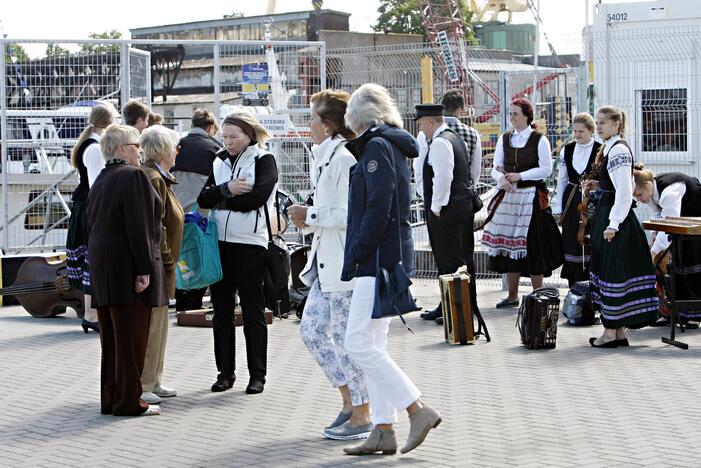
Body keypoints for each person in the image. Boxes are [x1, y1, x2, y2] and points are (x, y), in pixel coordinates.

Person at [341, 83, 441, 456]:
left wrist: (355, 252)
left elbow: (376, 207)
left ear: (359, 116)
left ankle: (415, 407)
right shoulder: (390, 146)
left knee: (357, 342)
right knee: (372, 343)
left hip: (378, 260)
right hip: (387, 256)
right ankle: (384, 429)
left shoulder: (376, 147)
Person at [287, 90, 371, 441]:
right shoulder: (326, 156)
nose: (308, 125)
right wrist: (311, 218)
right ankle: (351, 401)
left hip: (342, 264)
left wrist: (312, 215)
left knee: (346, 338)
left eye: (311, 118)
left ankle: (363, 412)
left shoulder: (344, 158)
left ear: (326, 125)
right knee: (313, 331)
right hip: (325, 262)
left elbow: (354, 214)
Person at [88, 124, 168, 416]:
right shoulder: (133, 176)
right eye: (136, 145)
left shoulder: (103, 178)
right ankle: (130, 402)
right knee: (132, 340)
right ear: (122, 149)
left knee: (112, 341)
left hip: (104, 269)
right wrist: (145, 269)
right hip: (127, 269)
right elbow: (141, 227)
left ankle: (112, 398)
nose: (140, 151)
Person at [197, 112, 277, 394]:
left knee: (253, 310)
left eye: (234, 137)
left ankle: (257, 375)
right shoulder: (219, 159)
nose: (228, 142)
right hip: (219, 242)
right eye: (225, 136)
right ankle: (225, 372)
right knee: (221, 310)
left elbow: (257, 199)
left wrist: (222, 200)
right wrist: (227, 189)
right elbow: (203, 197)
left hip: (250, 243)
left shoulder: (263, 160)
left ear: (249, 135)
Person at [481, 98, 564, 308]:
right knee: (510, 246)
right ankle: (512, 295)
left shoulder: (539, 139)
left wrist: (520, 176)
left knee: (534, 247)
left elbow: (546, 169)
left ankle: (538, 296)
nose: (512, 118)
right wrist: (501, 179)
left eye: (516, 114)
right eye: (510, 114)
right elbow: (495, 166)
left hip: (532, 199)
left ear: (527, 116)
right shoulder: (505, 138)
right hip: (510, 199)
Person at [587, 106, 657, 347]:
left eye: (602, 123)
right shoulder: (611, 148)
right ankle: (618, 333)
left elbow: (625, 193)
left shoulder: (617, 150)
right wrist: (598, 185)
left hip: (614, 219)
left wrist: (613, 224)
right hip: (610, 214)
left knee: (612, 271)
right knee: (613, 271)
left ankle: (610, 333)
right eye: (597, 123)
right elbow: (616, 185)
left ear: (617, 125)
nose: (598, 127)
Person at [413, 104, 482, 327]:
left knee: (450, 261)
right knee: (458, 259)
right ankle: (453, 305)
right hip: (459, 207)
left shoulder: (441, 143)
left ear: (430, 121)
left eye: (422, 123)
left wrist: (435, 206)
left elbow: (443, 178)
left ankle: (457, 308)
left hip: (447, 210)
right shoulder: (453, 138)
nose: (421, 128)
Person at [138, 125, 185, 405]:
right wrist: (167, 259)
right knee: (153, 324)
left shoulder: (163, 176)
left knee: (161, 323)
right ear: (164, 150)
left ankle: (154, 380)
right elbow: (157, 225)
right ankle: (145, 381)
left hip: (164, 261)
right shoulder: (153, 178)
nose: (178, 152)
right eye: (174, 147)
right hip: (159, 262)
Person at [65, 103, 115, 333]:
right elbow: (97, 184)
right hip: (90, 207)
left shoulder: (89, 143)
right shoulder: (95, 148)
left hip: (84, 206)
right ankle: (91, 314)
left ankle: (90, 314)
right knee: (92, 259)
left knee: (90, 259)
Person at [633, 165, 701, 324]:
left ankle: (691, 316)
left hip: (695, 220)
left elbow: (669, 226)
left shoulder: (669, 192)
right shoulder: (652, 193)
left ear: (648, 185)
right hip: (684, 223)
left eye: (639, 194)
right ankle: (673, 313)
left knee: (690, 264)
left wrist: (653, 252)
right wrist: (653, 238)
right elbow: (658, 216)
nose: (639, 199)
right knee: (674, 265)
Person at [172, 109, 221, 312]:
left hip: (175, 212)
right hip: (200, 214)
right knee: (199, 257)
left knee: (179, 257)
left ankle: (181, 299)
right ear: (210, 128)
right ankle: (194, 301)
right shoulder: (215, 149)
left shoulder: (175, 146)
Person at [553, 113, 602, 286]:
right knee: (572, 237)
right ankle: (574, 284)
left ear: (591, 130)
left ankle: (592, 281)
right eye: (575, 131)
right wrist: (558, 208)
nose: (577, 134)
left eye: (581, 131)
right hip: (572, 198)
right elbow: (561, 180)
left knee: (589, 233)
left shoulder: (600, 149)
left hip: (592, 199)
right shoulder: (568, 149)